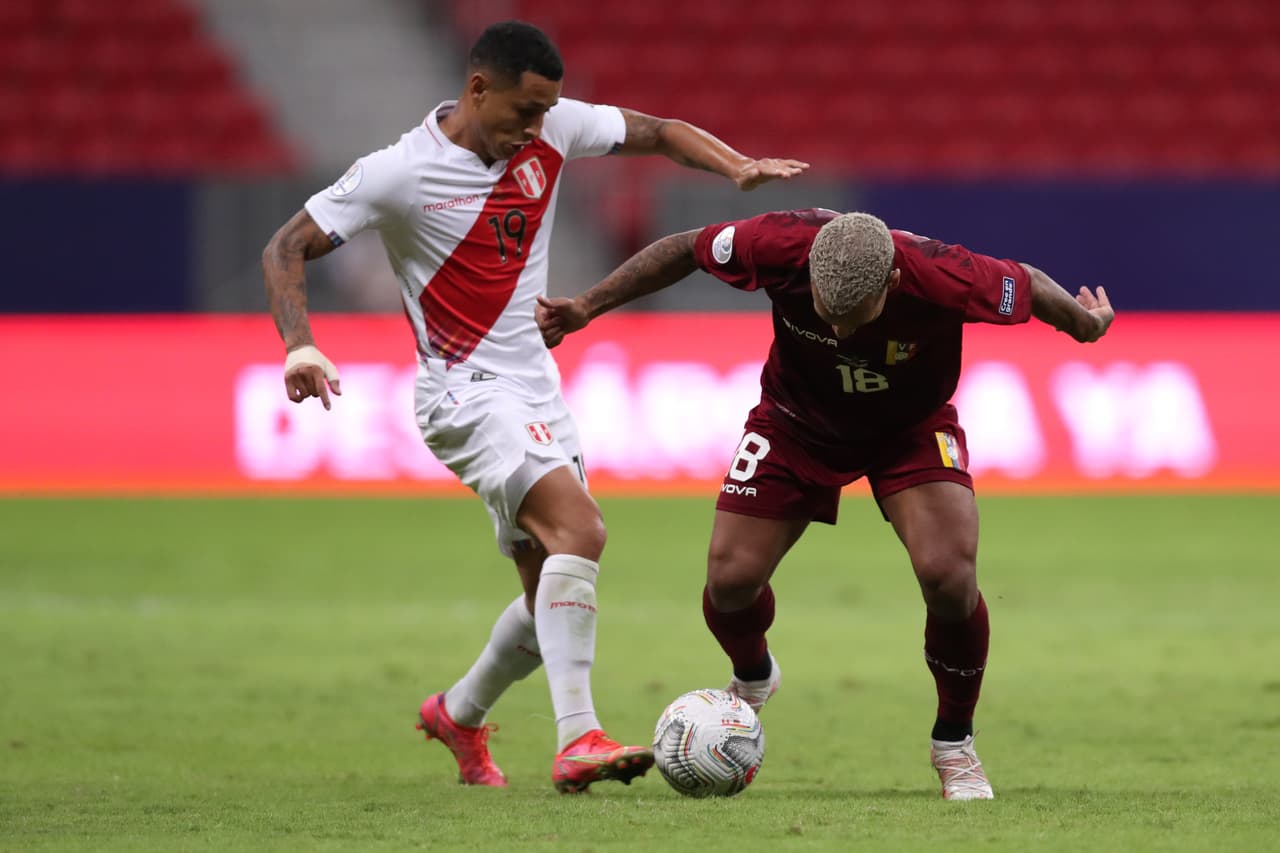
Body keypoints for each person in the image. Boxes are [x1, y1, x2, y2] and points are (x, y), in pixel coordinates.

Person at [260, 21, 808, 794]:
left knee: (547, 590)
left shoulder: (549, 129)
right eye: (524, 110)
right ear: (478, 90)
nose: (537, 127)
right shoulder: (398, 172)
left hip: (538, 389)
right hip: (461, 390)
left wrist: (737, 165)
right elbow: (285, 246)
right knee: (582, 531)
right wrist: (299, 344)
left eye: (547, 111)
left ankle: (459, 712)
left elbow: (659, 132)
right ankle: (578, 736)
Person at [537, 209, 1114, 800]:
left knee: (949, 576)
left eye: (852, 318)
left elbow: (1029, 283)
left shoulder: (946, 274)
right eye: (825, 313)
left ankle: (955, 744)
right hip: (794, 423)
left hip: (909, 430)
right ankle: (755, 675)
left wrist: (1082, 324)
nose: (838, 333)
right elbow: (687, 247)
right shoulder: (779, 242)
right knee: (730, 582)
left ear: (890, 284)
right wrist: (587, 305)